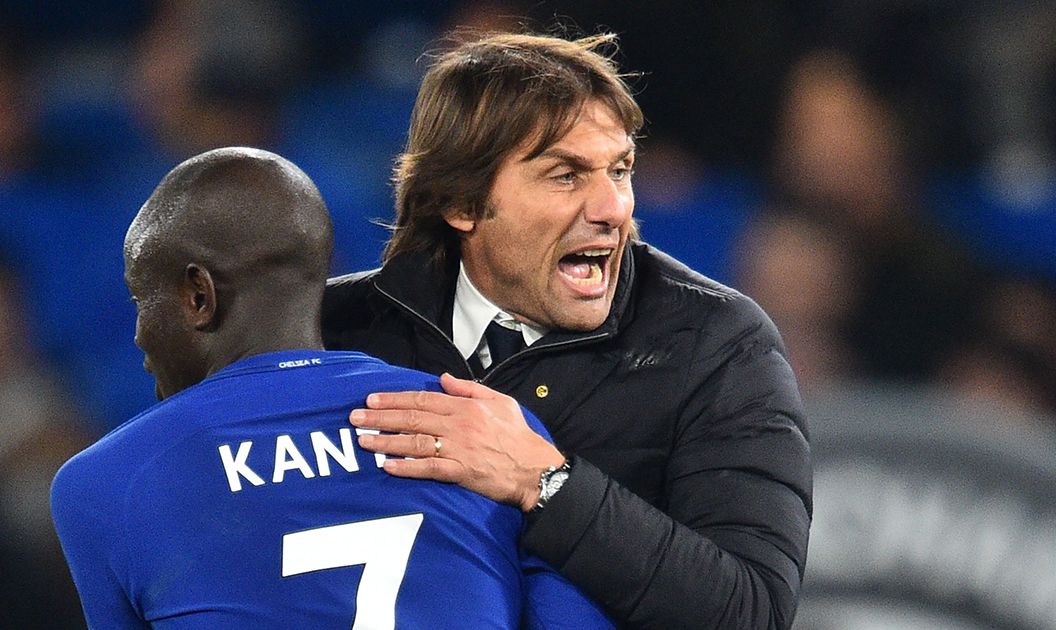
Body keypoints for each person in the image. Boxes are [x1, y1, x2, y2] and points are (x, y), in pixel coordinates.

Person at [323, 32, 813, 628]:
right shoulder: (338, 330)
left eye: (621, 169)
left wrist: (543, 482)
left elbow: (753, 610)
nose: (613, 208)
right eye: (566, 175)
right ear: (461, 203)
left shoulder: (715, 345)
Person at [49, 147, 612, 628]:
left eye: (140, 301)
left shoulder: (106, 483)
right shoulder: (489, 431)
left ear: (199, 296)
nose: (139, 336)